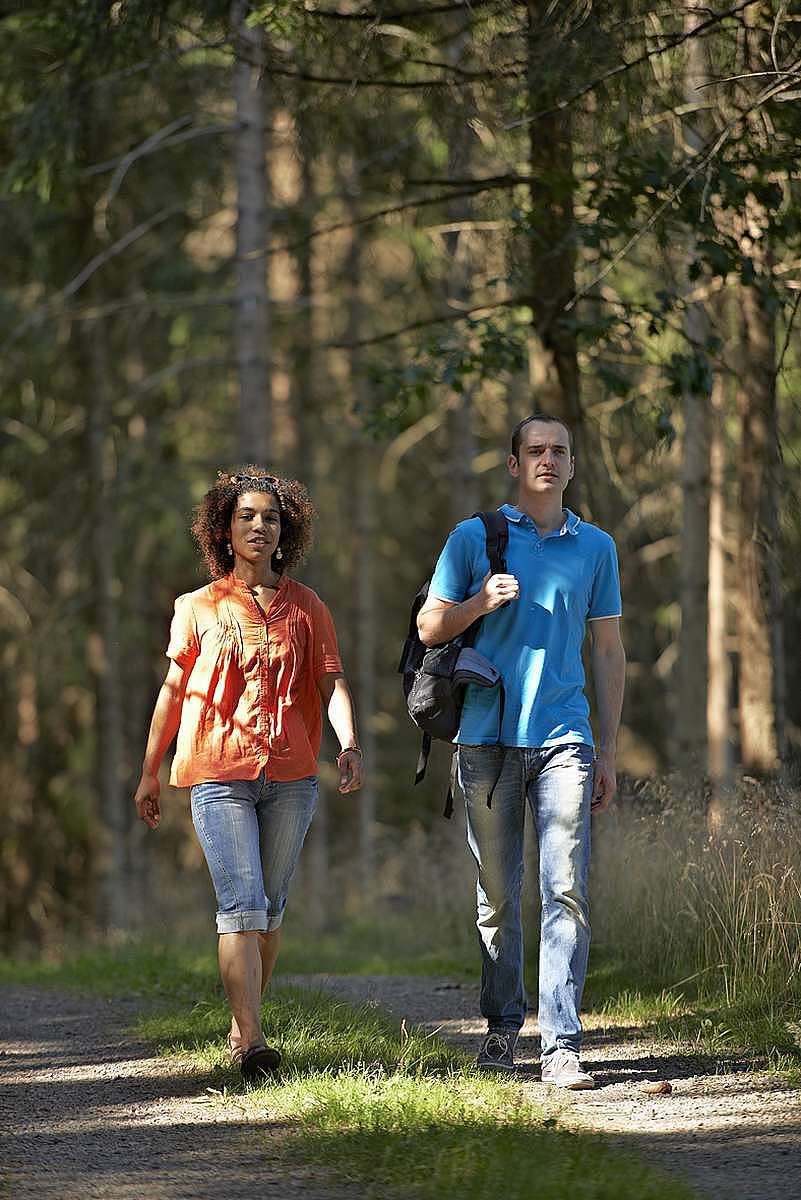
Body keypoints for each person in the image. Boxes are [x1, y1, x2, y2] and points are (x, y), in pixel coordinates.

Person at [133, 468, 362, 1082]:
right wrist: (149, 772)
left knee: (271, 907)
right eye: (247, 517)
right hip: (218, 772)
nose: (260, 527)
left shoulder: (308, 605)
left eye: (272, 518)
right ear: (225, 529)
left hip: (291, 775)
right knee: (242, 905)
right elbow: (173, 693)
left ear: (286, 532)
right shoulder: (197, 607)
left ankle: (241, 1025)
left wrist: (350, 743)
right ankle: (256, 1041)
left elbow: (330, 680)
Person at [417, 415, 625, 1088]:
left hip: (566, 736)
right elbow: (428, 626)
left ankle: (561, 1044)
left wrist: (609, 750)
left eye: (558, 451)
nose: (547, 459)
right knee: (496, 898)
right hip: (484, 741)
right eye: (534, 450)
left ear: (571, 465)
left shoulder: (594, 547)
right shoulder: (473, 537)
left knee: (563, 888)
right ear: (513, 463)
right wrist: (478, 601)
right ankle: (503, 1028)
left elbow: (610, 649)